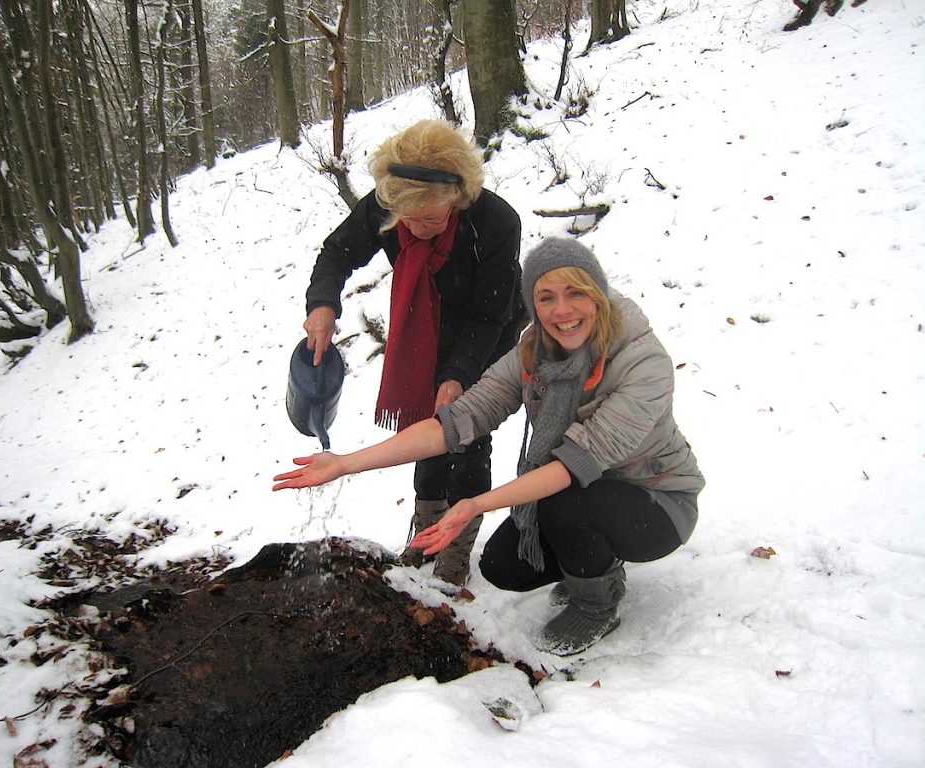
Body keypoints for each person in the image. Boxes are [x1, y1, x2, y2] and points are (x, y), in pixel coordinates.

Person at [276, 236, 705, 656]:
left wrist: (474, 504)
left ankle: (597, 603)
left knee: (564, 503)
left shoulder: (643, 363)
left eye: (576, 293)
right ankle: (594, 562)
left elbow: (570, 467)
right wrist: (346, 463)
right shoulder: (533, 353)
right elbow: (455, 422)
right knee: (504, 565)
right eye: (546, 297)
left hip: (658, 502)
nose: (563, 310)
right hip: (584, 492)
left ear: (599, 296)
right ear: (533, 306)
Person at [301, 119, 526, 585]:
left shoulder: (496, 222)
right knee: (425, 430)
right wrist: (323, 305)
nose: (417, 228)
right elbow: (337, 253)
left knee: (464, 435)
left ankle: (455, 546)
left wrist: (458, 374)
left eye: (431, 218)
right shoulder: (389, 205)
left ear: (458, 197)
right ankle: (426, 533)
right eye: (409, 218)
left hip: (489, 331)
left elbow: (490, 316)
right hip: (425, 329)